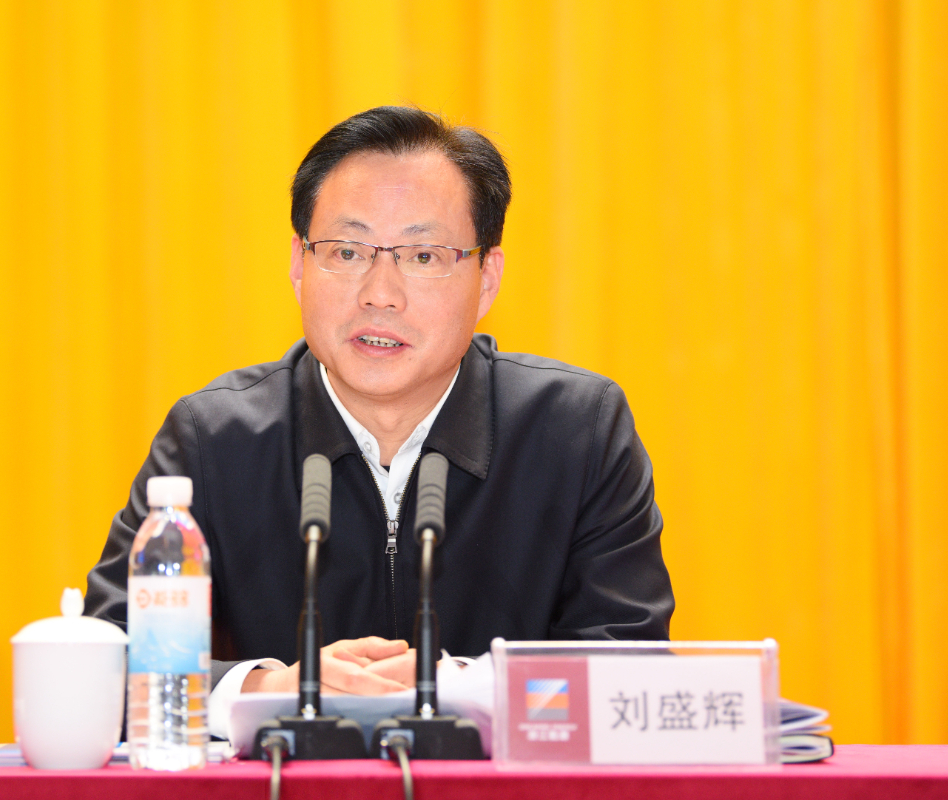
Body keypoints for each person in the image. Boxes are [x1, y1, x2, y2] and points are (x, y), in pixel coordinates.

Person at [85, 106, 674, 738]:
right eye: (346, 251)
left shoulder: (575, 431)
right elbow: (101, 672)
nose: (380, 293)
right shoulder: (213, 439)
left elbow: (630, 674)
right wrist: (266, 689)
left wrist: (461, 688)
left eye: (423, 255)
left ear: (486, 279)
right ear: (298, 264)